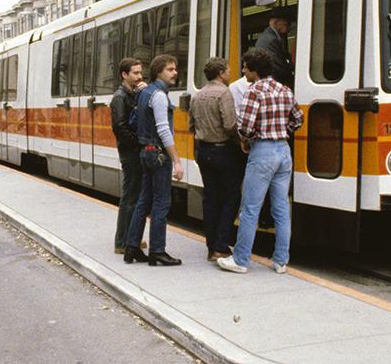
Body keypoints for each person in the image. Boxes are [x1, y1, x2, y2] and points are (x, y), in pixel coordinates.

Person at [218, 48, 303, 275]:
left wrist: (247, 140)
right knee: (281, 208)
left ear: (254, 70)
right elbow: (298, 119)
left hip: (262, 151)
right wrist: (282, 131)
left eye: (245, 66)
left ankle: (241, 260)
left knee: (250, 208)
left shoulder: (253, 91)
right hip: (283, 151)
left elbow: (245, 126)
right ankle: (281, 261)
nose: (243, 70)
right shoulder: (284, 89)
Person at [123, 54, 184, 267]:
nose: (174, 72)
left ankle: (131, 248)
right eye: (170, 69)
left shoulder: (144, 92)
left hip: (145, 152)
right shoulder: (158, 95)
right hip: (158, 153)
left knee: (144, 200)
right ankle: (157, 251)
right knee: (161, 202)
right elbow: (163, 128)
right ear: (159, 71)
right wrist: (176, 159)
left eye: (174, 69)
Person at [189, 57, 242, 262]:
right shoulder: (224, 93)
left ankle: (211, 247)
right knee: (231, 196)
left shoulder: (197, 95)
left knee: (210, 198)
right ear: (220, 73)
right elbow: (230, 125)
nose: (230, 73)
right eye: (228, 70)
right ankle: (221, 244)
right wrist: (241, 141)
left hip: (204, 151)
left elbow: (192, 125)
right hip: (223, 150)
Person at [110, 58, 147, 255]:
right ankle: (122, 241)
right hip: (130, 152)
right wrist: (138, 142)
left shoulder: (133, 94)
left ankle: (131, 238)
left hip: (133, 150)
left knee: (135, 194)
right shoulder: (120, 97)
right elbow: (119, 127)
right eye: (135, 73)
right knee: (130, 196)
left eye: (140, 72)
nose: (140, 76)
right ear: (124, 75)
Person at [254, 6, 294, 88]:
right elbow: (278, 67)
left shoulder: (270, 37)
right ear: (276, 22)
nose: (288, 28)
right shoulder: (271, 40)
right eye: (286, 24)